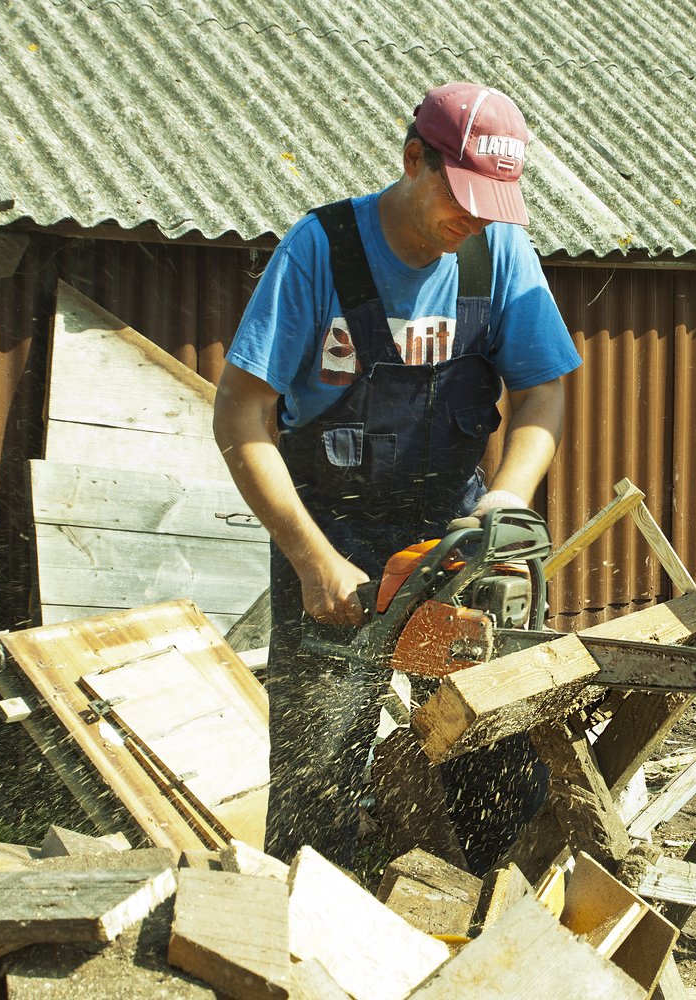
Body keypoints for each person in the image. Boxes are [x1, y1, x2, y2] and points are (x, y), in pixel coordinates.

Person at [213, 81, 583, 873]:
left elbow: (542, 391)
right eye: (461, 197)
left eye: (492, 202)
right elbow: (240, 417)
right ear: (413, 159)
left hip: (450, 542)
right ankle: (307, 947)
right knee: (319, 771)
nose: (475, 218)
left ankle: (489, 924)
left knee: (488, 746)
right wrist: (310, 559)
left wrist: (506, 498)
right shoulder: (320, 250)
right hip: (332, 542)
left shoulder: (497, 250)